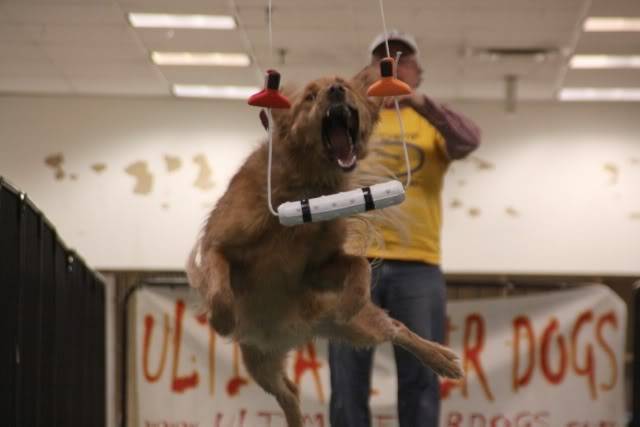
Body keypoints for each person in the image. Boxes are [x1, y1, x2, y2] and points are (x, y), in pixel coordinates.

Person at [328, 30, 482, 427]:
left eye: (402, 60)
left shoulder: (430, 124)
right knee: (347, 377)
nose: (392, 65)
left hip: (419, 265)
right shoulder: (352, 121)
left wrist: (419, 102)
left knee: (421, 375)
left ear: (418, 73)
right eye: (382, 60)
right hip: (351, 263)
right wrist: (353, 92)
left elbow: (469, 140)